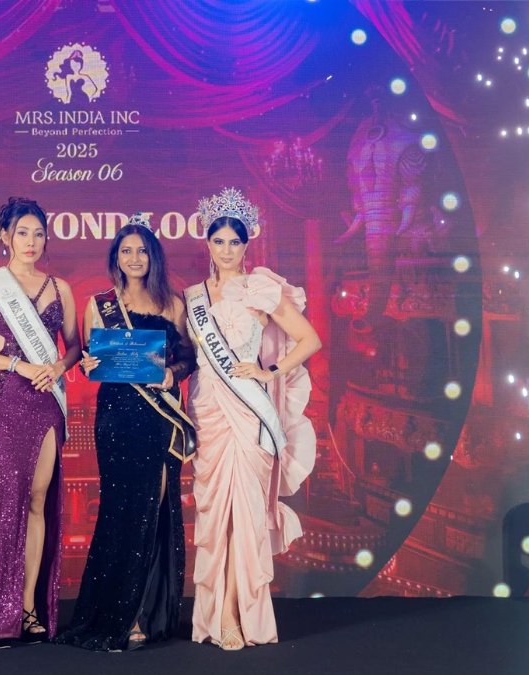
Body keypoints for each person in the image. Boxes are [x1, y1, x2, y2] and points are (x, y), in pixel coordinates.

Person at [184, 188, 322, 650]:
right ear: (207, 243)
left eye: (234, 242)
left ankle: (235, 613)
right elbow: (184, 354)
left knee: (244, 514)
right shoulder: (193, 297)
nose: (226, 250)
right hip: (207, 411)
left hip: (247, 413)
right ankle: (219, 613)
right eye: (218, 241)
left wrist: (269, 371)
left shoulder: (260, 289)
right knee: (216, 516)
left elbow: (309, 339)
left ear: (247, 244)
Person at [54, 214, 197, 652]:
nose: (134, 258)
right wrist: (88, 364)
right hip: (116, 417)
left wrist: (172, 375)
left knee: (153, 508)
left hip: (158, 417)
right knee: (120, 510)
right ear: (116, 258)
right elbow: (91, 360)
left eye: (142, 251)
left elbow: (188, 357)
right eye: (126, 251)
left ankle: (146, 613)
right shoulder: (99, 305)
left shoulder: (174, 304)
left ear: (153, 257)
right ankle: (116, 613)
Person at [0, 196, 81, 648]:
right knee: (8, 501)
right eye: (22, 232)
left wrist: (59, 367)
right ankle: (2, 616)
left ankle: (28, 608)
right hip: (2, 400)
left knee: (37, 499)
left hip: (46, 401)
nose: (31, 241)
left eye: (38, 233)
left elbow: (74, 347)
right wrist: (17, 365)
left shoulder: (60, 288)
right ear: (5, 236)